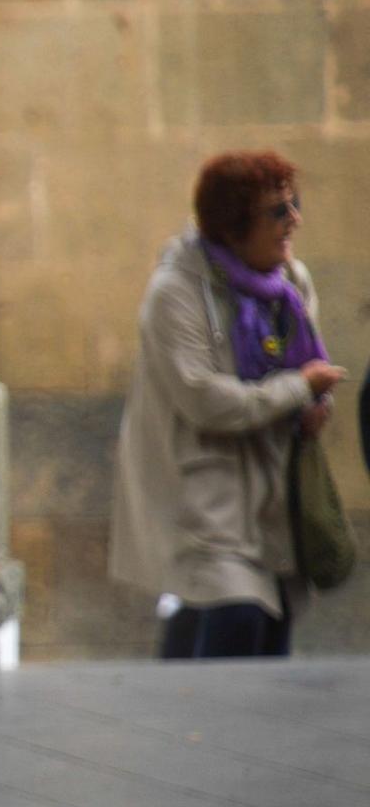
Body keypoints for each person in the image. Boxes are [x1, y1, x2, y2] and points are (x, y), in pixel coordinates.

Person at [111, 151, 345, 659]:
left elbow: (302, 371)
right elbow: (206, 402)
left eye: (294, 205)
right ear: (234, 228)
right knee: (238, 610)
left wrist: (310, 408)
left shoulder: (291, 286)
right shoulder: (175, 293)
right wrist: (297, 390)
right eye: (278, 212)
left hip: (273, 484)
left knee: (272, 627)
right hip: (202, 489)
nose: (295, 222)